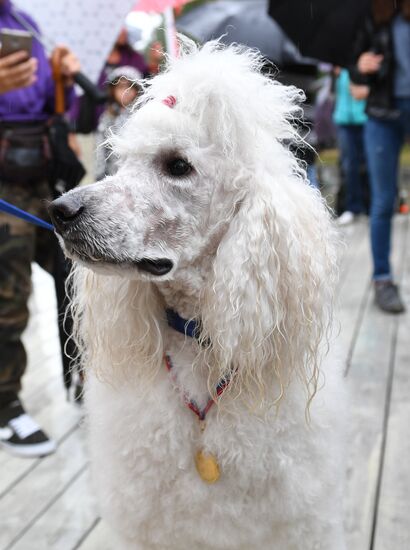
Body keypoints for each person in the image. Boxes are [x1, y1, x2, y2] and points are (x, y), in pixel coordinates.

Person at [0, 0, 80, 456]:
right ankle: (5, 406)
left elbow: (56, 106)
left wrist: (62, 78)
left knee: (80, 274)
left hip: (42, 171)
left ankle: (86, 378)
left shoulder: (27, 22)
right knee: (8, 296)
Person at [350, 0, 409, 313]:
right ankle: (383, 280)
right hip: (383, 115)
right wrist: (360, 66)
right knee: (384, 201)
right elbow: (354, 76)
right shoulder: (375, 16)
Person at [333, 68, 369, 225]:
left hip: (366, 118)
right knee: (349, 166)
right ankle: (351, 207)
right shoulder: (339, 67)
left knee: (370, 165)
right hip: (344, 121)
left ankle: (370, 207)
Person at [95, 66, 142, 181]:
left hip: (138, 175)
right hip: (113, 175)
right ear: (112, 90)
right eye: (121, 87)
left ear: (137, 90)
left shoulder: (142, 116)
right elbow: (100, 147)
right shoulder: (107, 118)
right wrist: (99, 175)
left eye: (130, 87)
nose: (125, 92)